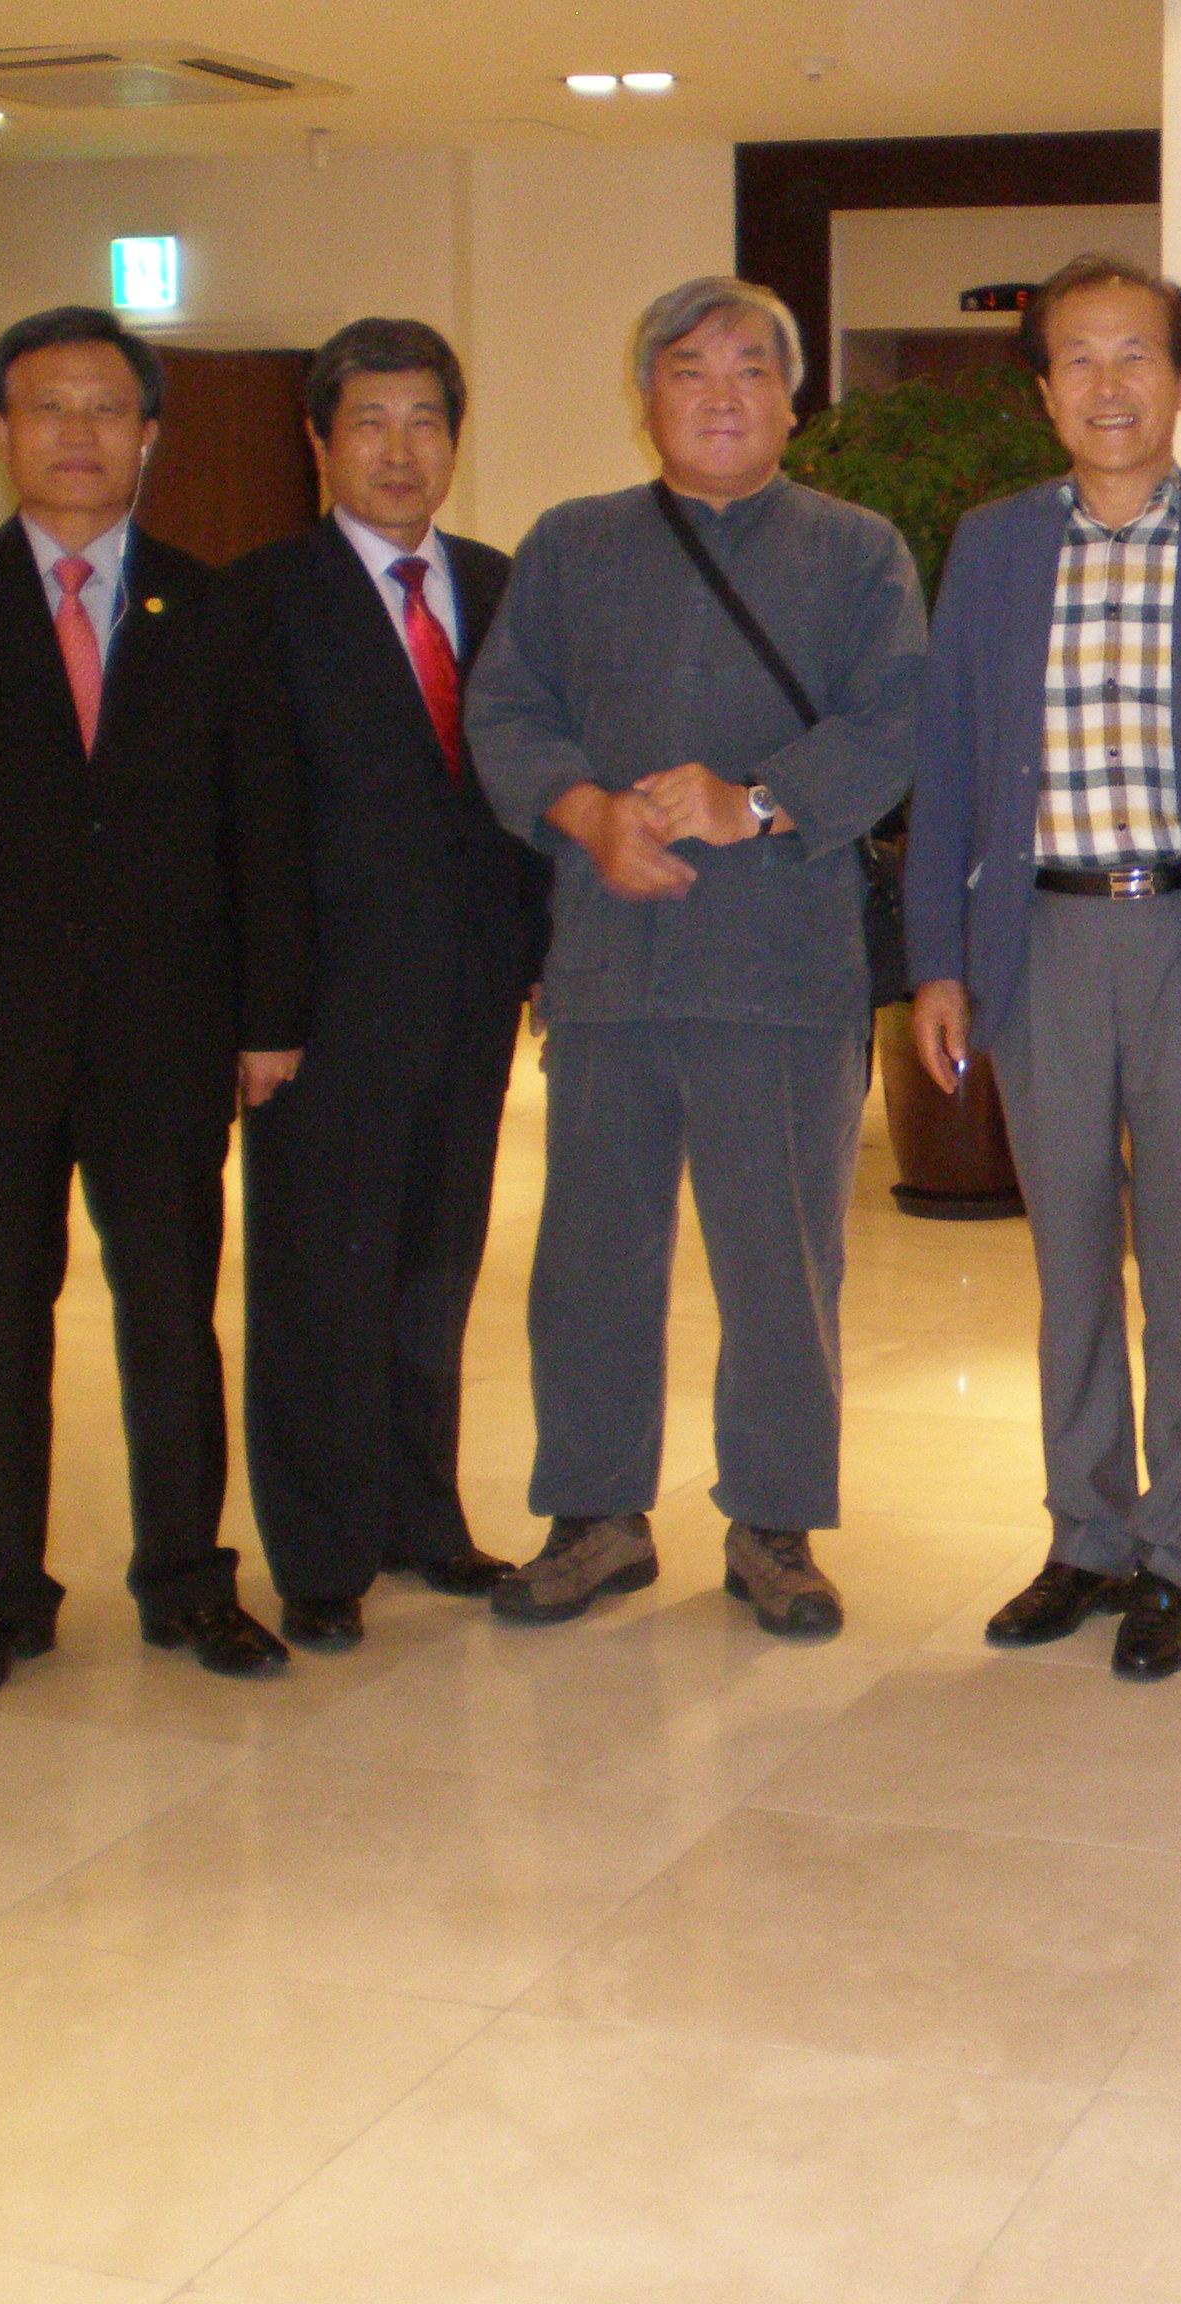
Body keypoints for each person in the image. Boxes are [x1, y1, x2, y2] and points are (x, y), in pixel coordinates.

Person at [0, 305, 311, 1702]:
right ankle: (2, 1600)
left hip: (170, 1034)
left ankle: (189, 1584)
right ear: (0, 428)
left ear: (149, 433)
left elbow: (264, 829)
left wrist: (269, 1016)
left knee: (171, 1317)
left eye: (106, 408)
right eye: (47, 407)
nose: (76, 433)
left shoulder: (215, 609)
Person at [467, 277, 923, 1639]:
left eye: (750, 370)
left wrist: (757, 801)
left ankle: (774, 1525)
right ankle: (595, 1516)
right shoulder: (573, 545)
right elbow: (504, 711)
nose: (721, 395)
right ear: (645, 396)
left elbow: (900, 721)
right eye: (689, 370)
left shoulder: (858, 552)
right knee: (590, 1260)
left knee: (782, 1266)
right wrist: (586, 813)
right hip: (610, 966)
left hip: (782, 974)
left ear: (792, 400)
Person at [907, 256, 1181, 1681]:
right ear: (1043, 389)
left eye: (1135, 354)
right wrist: (940, 959)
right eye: (1077, 358)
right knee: (1072, 1261)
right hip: (1039, 943)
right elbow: (950, 764)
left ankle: (1178, 1552)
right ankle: (1084, 1536)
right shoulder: (992, 549)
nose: (1108, 384)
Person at [230, 318, 543, 1652]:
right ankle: (320, 1551)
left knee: (434, 1267)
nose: (399, 450)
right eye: (370, 421)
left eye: (425, 422)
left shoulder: (499, 582)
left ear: (455, 440)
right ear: (319, 439)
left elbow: (530, 789)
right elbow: (247, 823)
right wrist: (261, 1014)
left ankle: (424, 1516)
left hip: (470, 996)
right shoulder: (261, 599)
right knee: (318, 1281)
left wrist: (542, 960)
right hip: (322, 1013)